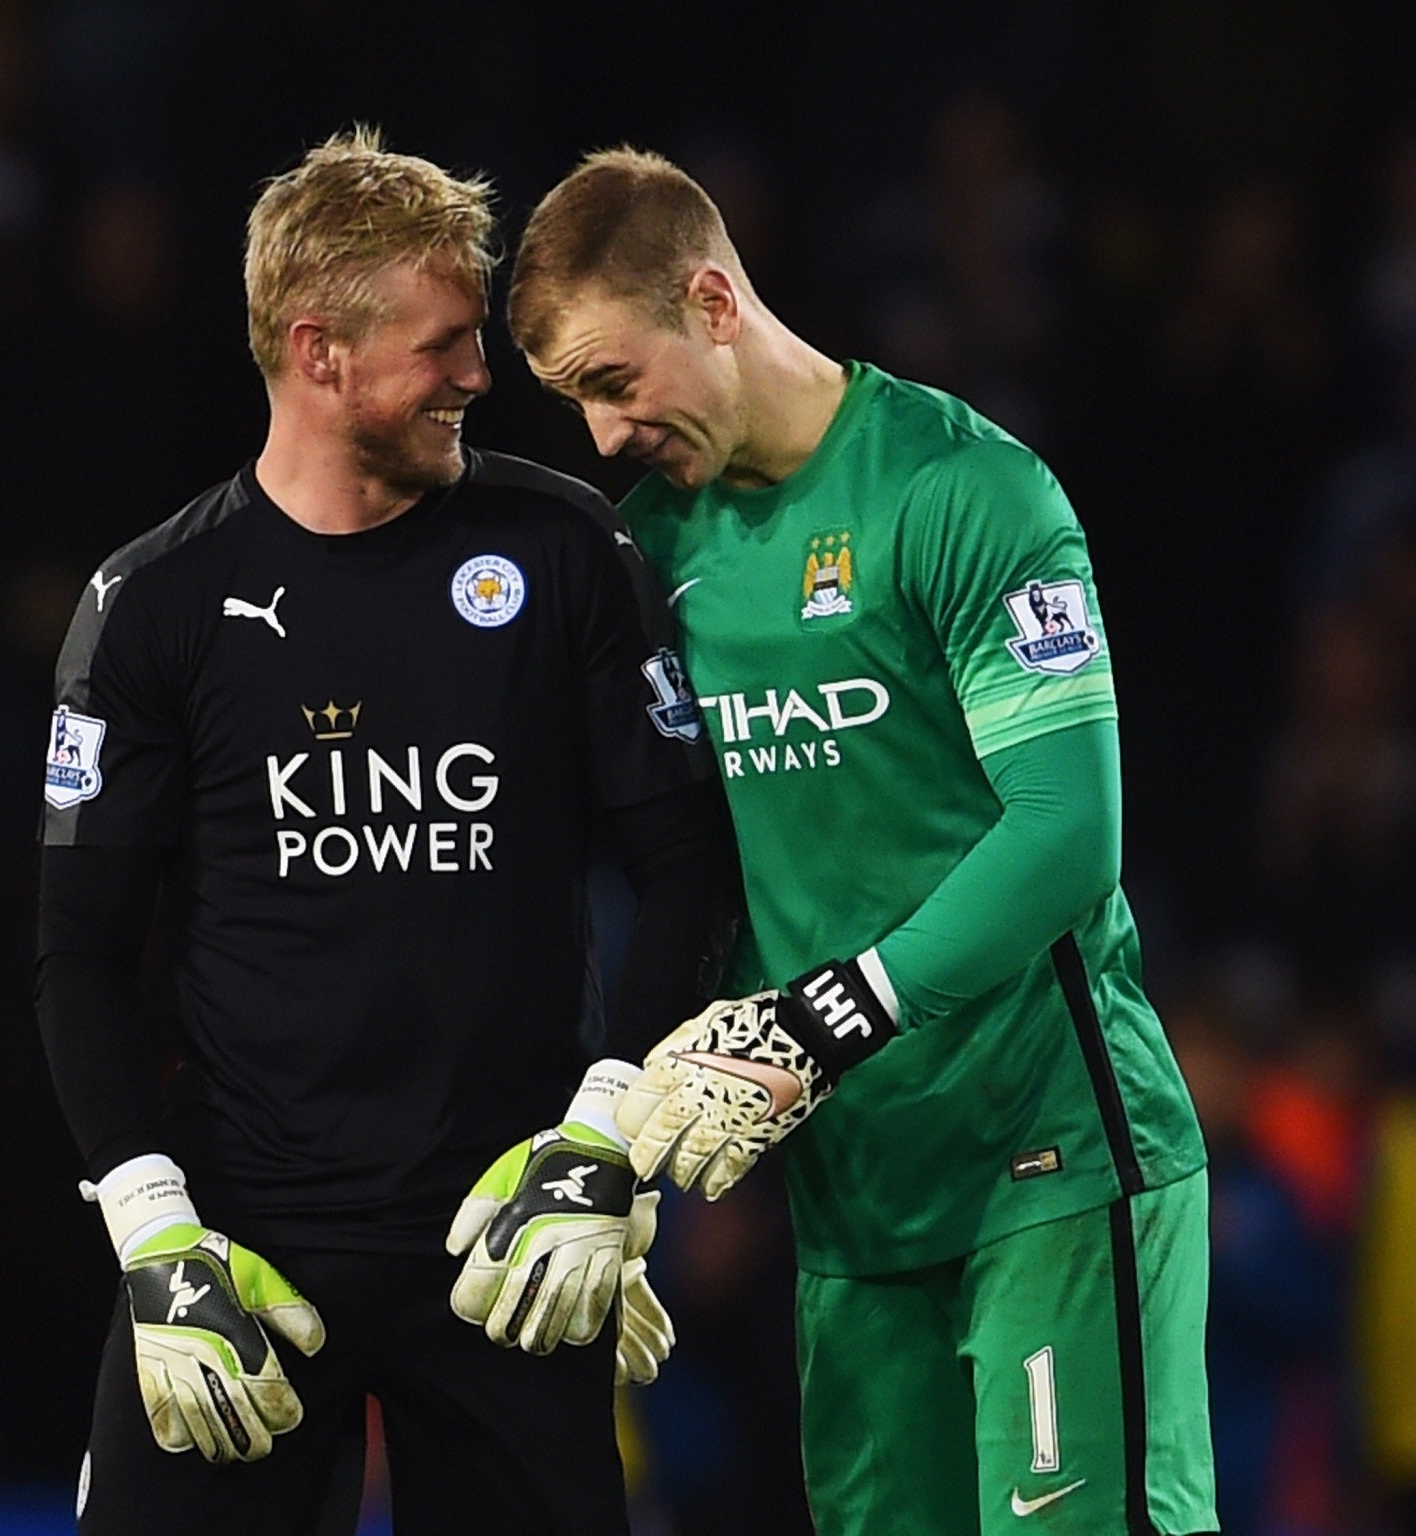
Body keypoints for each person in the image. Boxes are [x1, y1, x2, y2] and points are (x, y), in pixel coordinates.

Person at [503, 148, 1216, 1536]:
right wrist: (609, 1144)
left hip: (1053, 1164)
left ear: (713, 300)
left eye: (611, 381)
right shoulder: (651, 558)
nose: (600, 438)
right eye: (574, 402)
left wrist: (831, 1019)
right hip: (855, 1214)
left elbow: (1071, 834)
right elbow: (685, 876)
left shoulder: (966, 494)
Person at [35, 130, 735, 1536]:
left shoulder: (566, 555)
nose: (482, 375)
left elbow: (689, 871)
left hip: (505, 1245)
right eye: (447, 344)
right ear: (320, 352)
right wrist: (150, 1227)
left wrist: (604, 1144)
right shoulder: (155, 604)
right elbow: (76, 956)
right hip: (240, 1258)